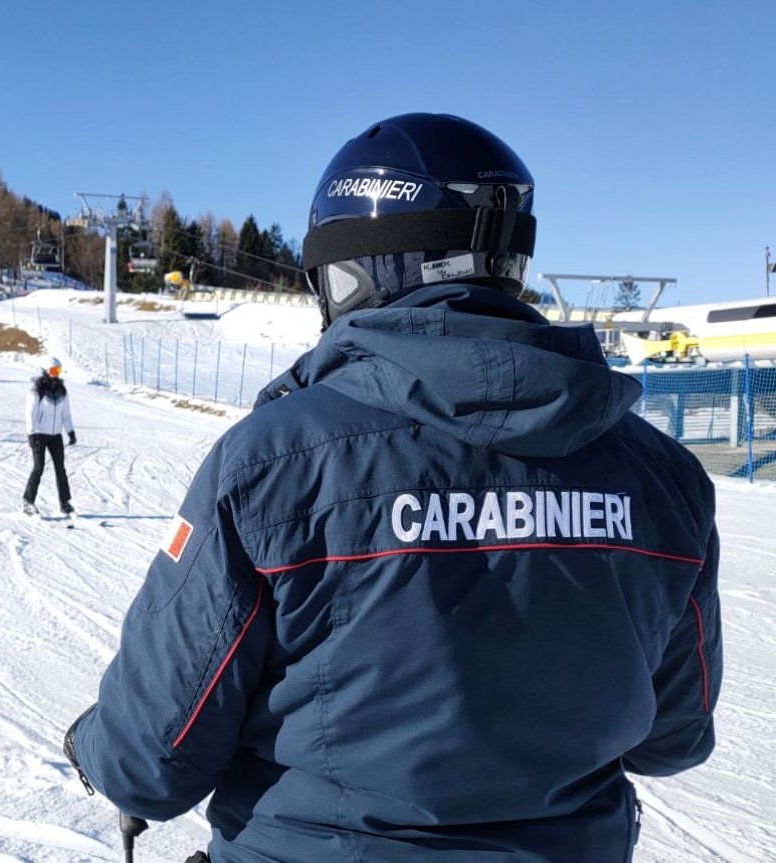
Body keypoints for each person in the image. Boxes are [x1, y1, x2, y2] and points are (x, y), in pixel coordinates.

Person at [64, 113, 722, 862]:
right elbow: (673, 735)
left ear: (352, 271)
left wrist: (93, 744)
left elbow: (152, 757)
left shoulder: (273, 463)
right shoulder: (661, 476)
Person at [22, 356, 76, 516]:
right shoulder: (37, 389)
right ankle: (28, 502)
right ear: (46, 370)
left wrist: (70, 431)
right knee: (38, 468)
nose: (55, 374)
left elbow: (66, 414)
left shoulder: (61, 390)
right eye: (53, 370)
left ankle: (65, 502)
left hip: (55, 436)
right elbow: (30, 412)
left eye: (58, 371)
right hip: (39, 434)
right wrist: (31, 433)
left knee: (61, 468)